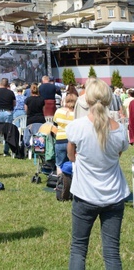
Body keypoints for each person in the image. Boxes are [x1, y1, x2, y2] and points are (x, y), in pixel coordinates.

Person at [66, 78, 130, 270]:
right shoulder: (119, 131)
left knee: (78, 248)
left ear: (87, 100)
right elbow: (117, 155)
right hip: (114, 195)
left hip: (85, 195)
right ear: (110, 100)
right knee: (112, 252)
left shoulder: (77, 126)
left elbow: (71, 156)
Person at [52, 93, 77, 174]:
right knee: (73, 163)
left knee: (59, 164)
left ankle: (60, 183)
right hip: (72, 141)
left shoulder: (58, 111)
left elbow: (55, 124)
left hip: (60, 140)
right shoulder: (76, 114)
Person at [0, 78, 16, 156]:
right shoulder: (11, 92)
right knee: (8, 132)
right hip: (8, 112)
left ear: (0, 84)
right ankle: (6, 150)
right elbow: (14, 104)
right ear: (7, 84)